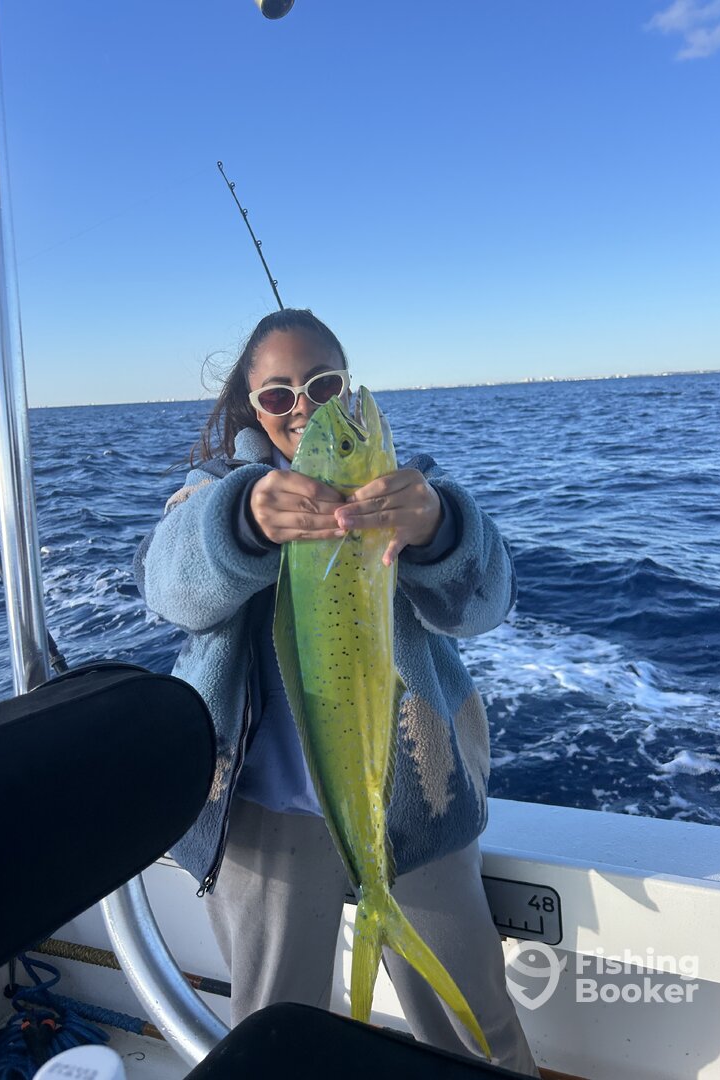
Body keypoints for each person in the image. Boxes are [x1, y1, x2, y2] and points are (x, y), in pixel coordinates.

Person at [134, 308, 539, 1077]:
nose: (304, 409)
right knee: (274, 1032)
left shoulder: (411, 492)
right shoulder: (213, 493)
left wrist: (439, 528)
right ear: (252, 409)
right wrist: (243, 521)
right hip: (263, 814)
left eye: (323, 386)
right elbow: (165, 587)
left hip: (415, 800)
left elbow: (487, 604)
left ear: (347, 388)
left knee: (474, 1029)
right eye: (278, 395)